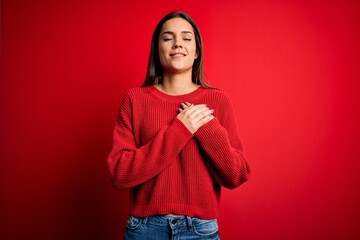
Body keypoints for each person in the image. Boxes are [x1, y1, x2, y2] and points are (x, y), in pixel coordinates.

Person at [107, 11, 250, 240]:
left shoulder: (218, 101)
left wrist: (207, 129)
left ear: (196, 52)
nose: (177, 44)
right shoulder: (135, 100)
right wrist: (180, 130)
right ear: (157, 49)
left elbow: (236, 175)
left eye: (186, 38)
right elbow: (119, 174)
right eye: (167, 38)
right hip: (145, 229)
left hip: (200, 231)